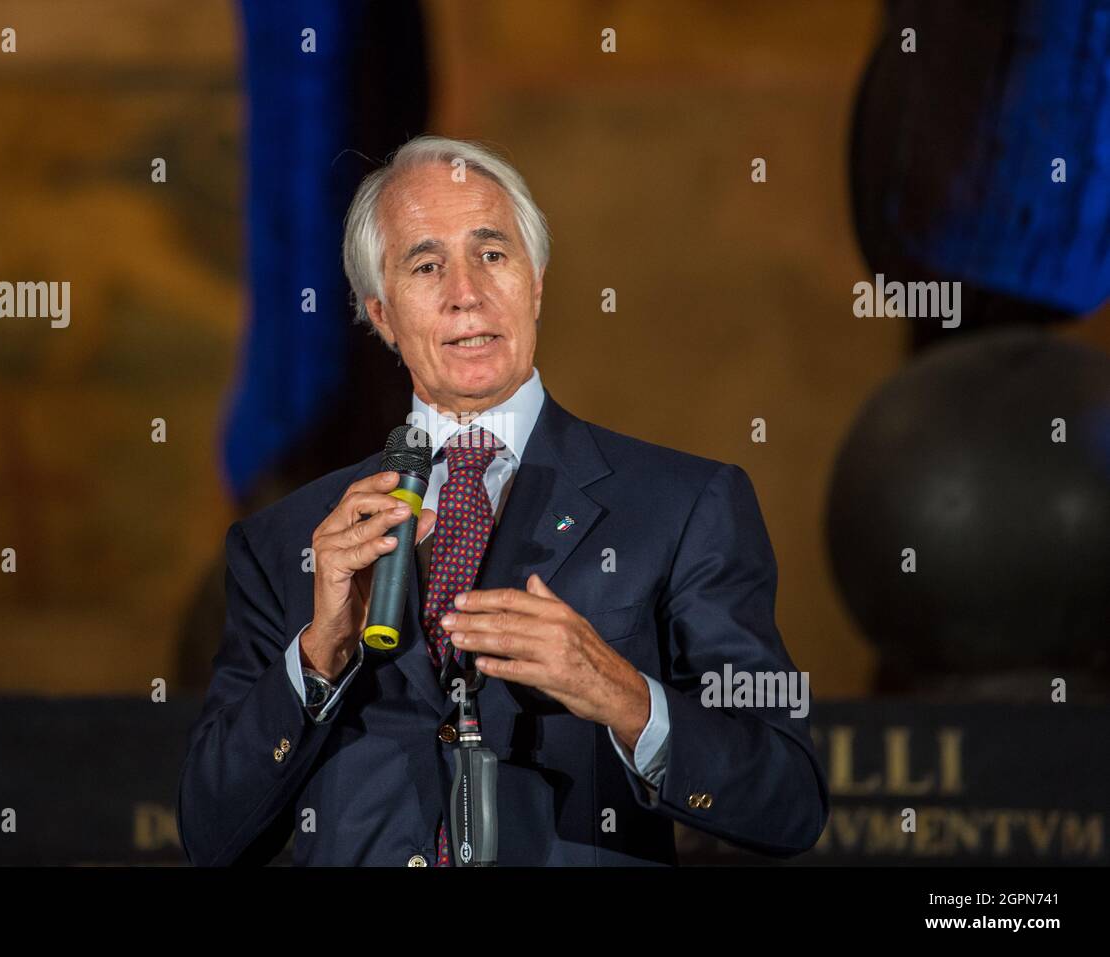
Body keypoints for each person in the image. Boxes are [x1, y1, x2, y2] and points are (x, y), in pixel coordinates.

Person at [177, 135, 828, 866]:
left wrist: (620, 693)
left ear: (537, 281)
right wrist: (318, 655)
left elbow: (790, 799)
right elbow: (211, 834)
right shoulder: (288, 540)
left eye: (492, 254)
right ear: (382, 314)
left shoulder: (683, 505)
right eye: (427, 264)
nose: (467, 292)